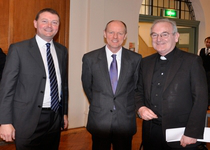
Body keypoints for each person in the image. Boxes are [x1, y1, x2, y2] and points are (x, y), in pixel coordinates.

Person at [0, 8, 68, 150]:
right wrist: (5, 122)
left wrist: (64, 113)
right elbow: (7, 88)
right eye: (45, 21)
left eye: (54, 22)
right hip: (27, 119)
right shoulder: (19, 49)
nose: (49, 25)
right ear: (35, 24)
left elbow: (63, 86)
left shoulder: (62, 51)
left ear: (58, 27)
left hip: (54, 118)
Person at [136, 19, 208, 150]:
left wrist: (192, 132)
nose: (159, 39)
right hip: (151, 132)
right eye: (154, 34)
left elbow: (201, 99)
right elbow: (138, 91)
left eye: (164, 34)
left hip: (181, 134)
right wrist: (140, 108)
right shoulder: (145, 62)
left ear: (176, 36)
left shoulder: (192, 61)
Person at [81, 20, 142, 150]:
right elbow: (87, 86)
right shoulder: (90, 58)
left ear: (125, 36)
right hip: (99, 119)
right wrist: (101, 102)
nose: (115, 37)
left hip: (125, 120)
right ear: (104, 34)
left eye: (120, 33)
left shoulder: (135, 59)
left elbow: (136, 87)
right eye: (111, 32)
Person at [198, 36, 210, 108]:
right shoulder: (201, 50)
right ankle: (204, 103)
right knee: (203, 87)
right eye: (206, 42)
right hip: (203, 71)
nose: (208, 44)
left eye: (209, 42)